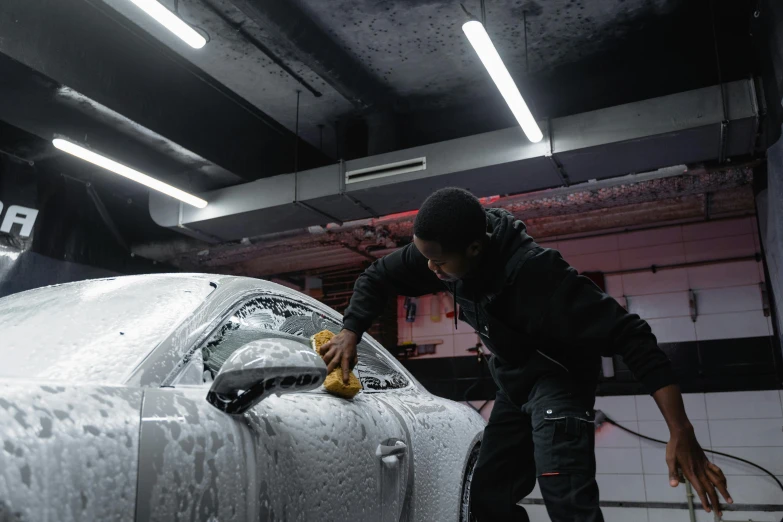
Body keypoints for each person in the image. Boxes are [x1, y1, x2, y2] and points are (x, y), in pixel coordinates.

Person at [319, 187, 732, 521]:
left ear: (475, 249)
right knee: (486, 499)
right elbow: (377, 276)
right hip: (515, 385)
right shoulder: (445, 250)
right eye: (426, 258)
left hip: (559, 385)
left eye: (439, 262)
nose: (431, 270)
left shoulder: (540, 276)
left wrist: (681, 430)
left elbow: (632, 335)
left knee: (567, 502)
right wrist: (351, 331)